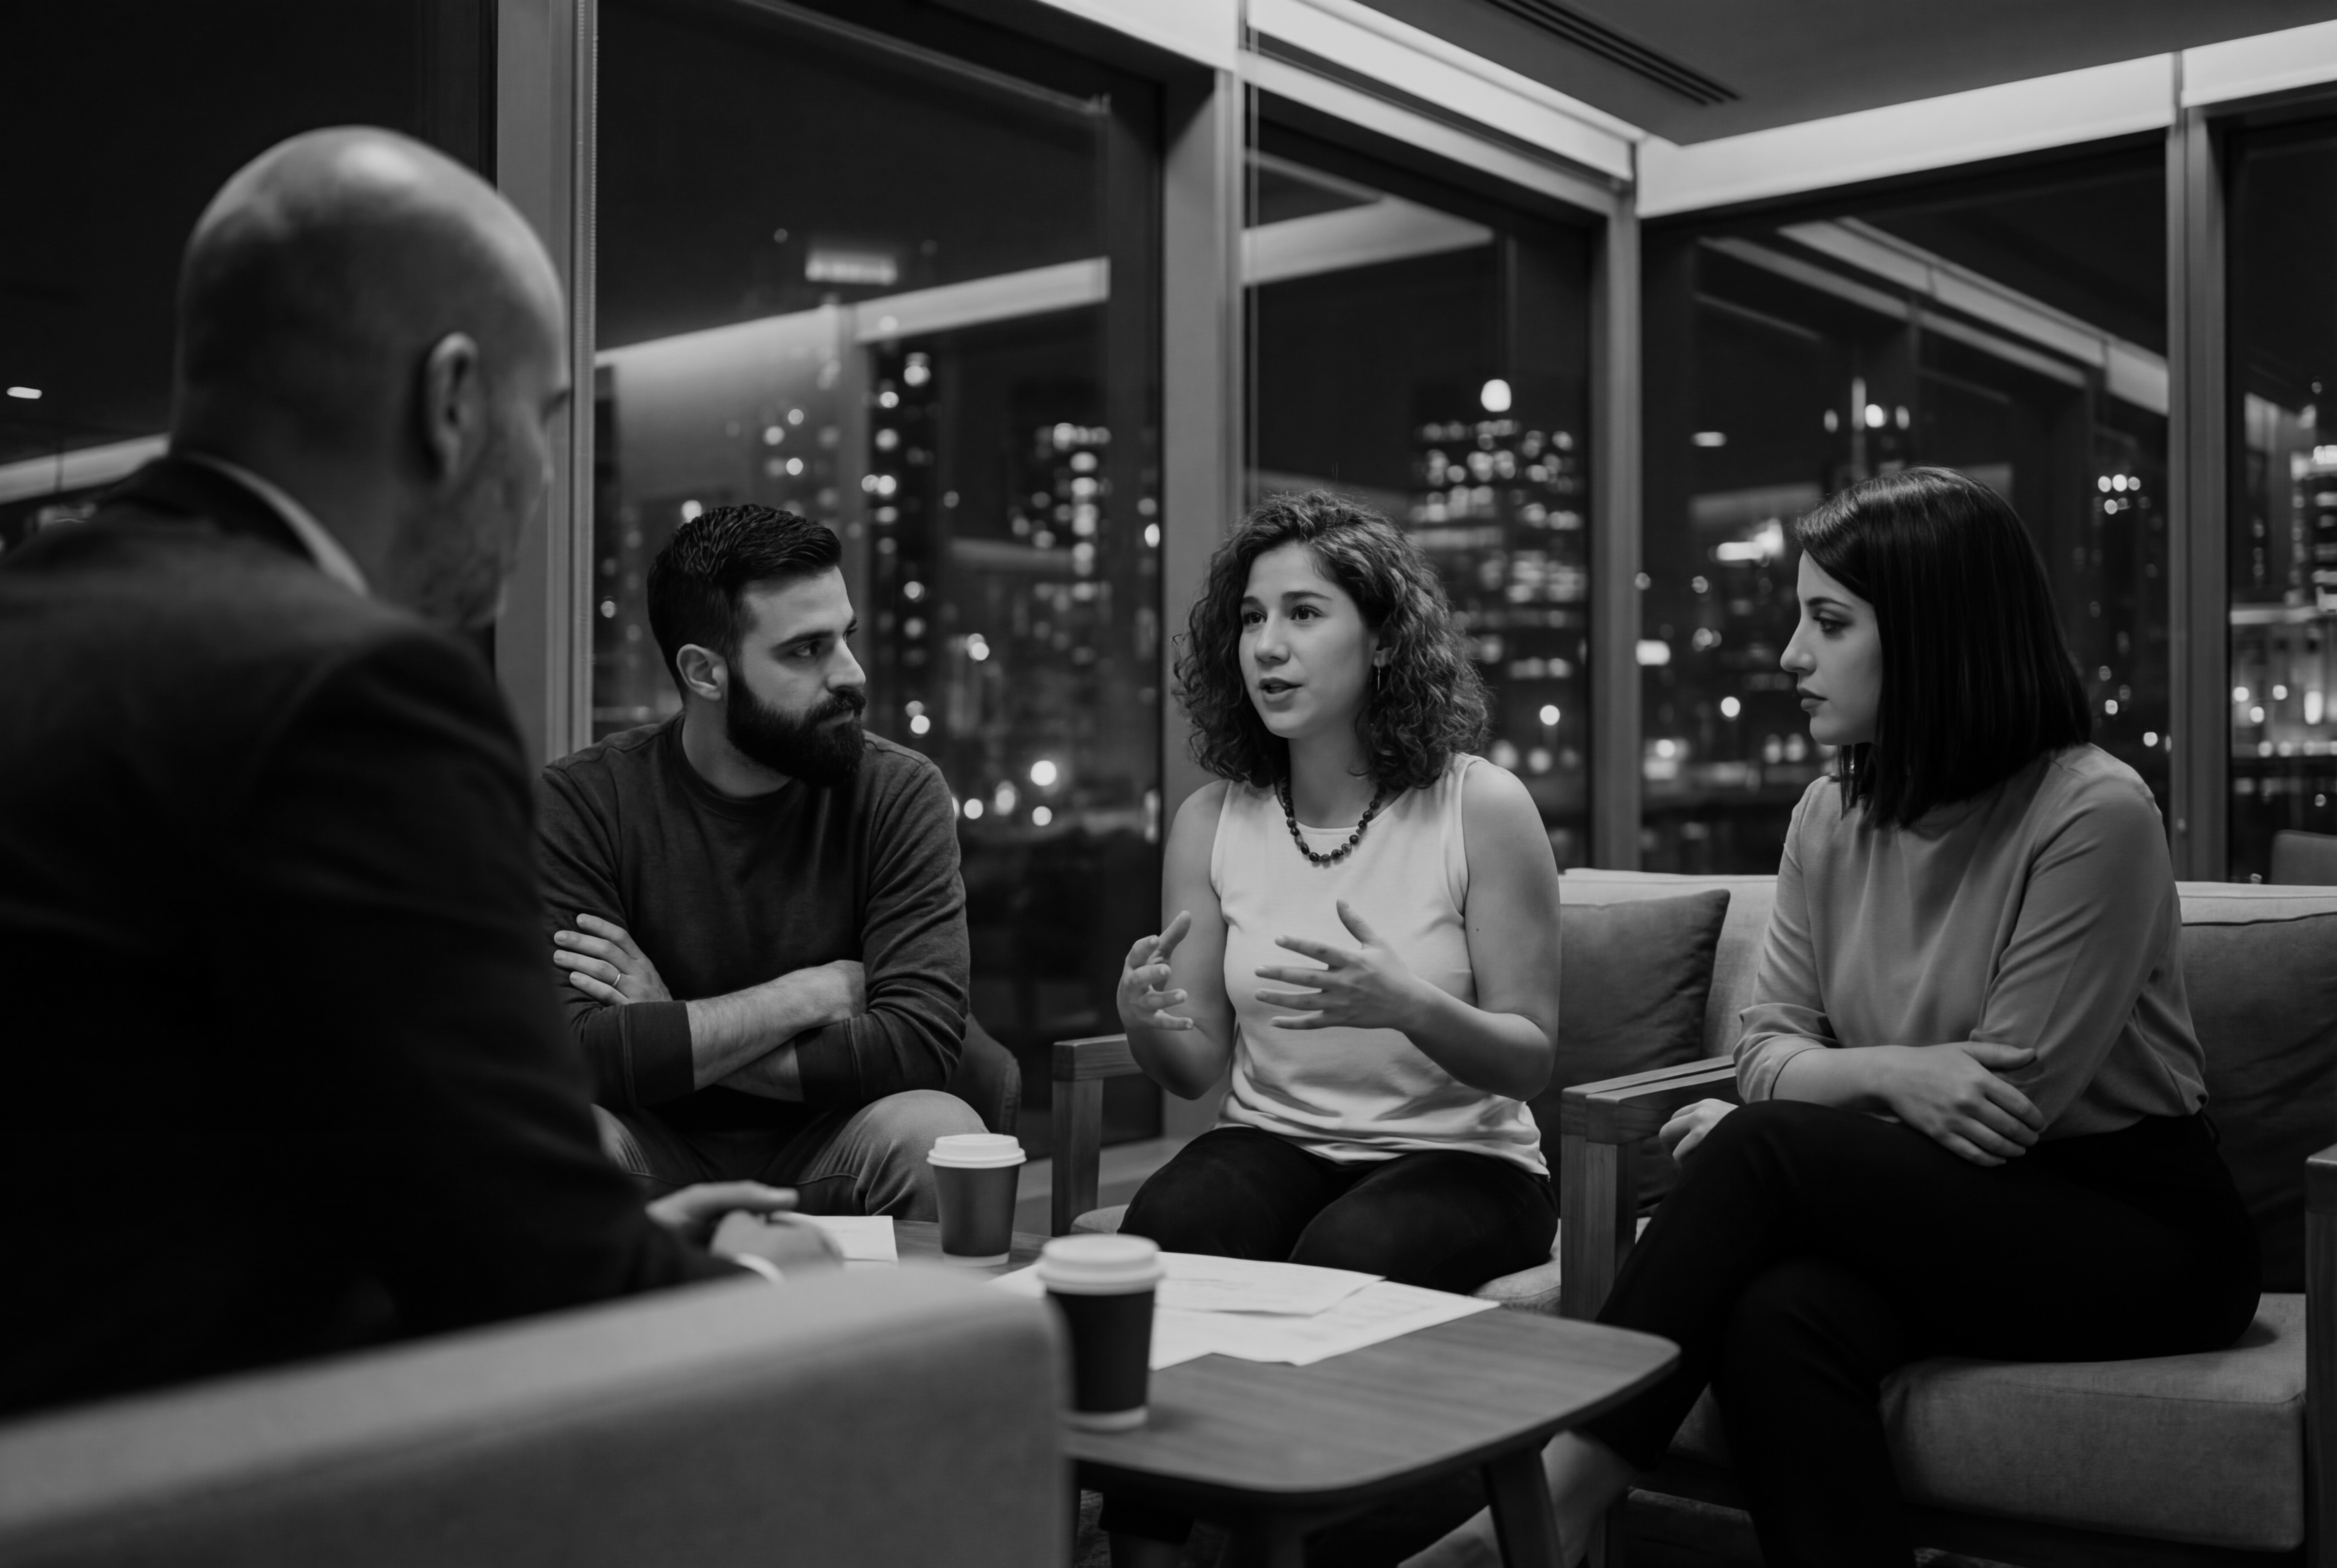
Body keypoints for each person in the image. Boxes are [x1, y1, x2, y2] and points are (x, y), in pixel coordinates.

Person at [0, 129, 801, 1418]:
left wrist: (623, 1235)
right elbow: (537, 1275)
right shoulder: (360, 694)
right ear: (450, 402)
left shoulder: (39, 616)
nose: (543, 479)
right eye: (541, 421)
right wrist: (781, 1291)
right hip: (210, 1475)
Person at [1410, 467, 2261, 1568]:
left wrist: (1795, 1125)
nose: (1789, 658)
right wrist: (1885, 1083)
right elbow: (1765, 1048)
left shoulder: (2092, 812)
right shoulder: (1828, 813)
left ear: (1933, 636)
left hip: (2131, 1231)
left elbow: (2007, 1102)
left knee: (1757, 1149)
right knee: (1779, 1321)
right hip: (1928, 1204)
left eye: (1827, 622)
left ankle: (1551, 1501)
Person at [537, 504, 981, 1218]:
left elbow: (918, 1044)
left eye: (846, 638)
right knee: (554, 1138)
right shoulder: (585, 800)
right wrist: (804, 999)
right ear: (705, 673)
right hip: (651, 1145)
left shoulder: (899, 791)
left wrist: (673, 1028)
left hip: (835, 1141)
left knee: (938, 1133)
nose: (851, 674)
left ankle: (907, 1336)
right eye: (806, 651)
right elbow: (574, 1052)